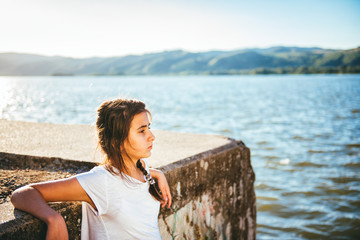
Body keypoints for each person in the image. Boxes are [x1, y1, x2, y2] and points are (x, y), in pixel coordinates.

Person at [11, 98, 172, 240]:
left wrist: (158, 173)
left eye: (149, 127)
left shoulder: (141, 168)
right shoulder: (102, 182)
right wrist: (53, 219)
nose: (152, 136)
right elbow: (22, 195)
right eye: (142, 131)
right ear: (116, 142)